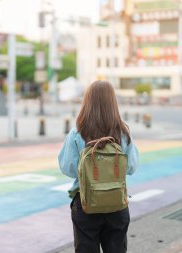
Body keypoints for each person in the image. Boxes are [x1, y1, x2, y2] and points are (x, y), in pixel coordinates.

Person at [58, 80, 139, 253]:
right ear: (113, 103)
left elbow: (68, 168)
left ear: (87, 102)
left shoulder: (77, 133)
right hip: (117, 203)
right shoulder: (123, 133)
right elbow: (131, 167)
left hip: (86, 204)